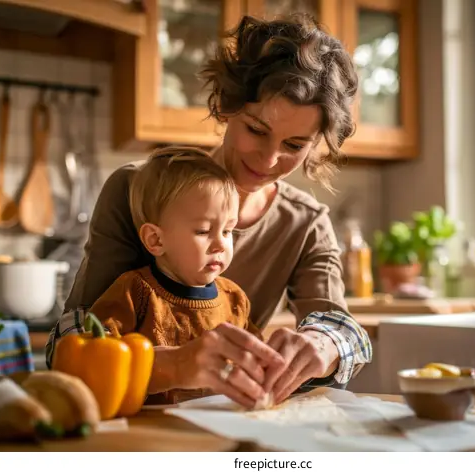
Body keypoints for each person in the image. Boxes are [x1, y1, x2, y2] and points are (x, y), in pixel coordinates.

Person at [47, 13, 372, 410]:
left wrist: (321, 344)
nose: (269, 159)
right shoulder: (136, 189)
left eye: (294, 145)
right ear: (226, 106)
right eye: (256, 129)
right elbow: (66, 348)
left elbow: (347, 333)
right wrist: (174, 364)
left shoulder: (305, 222)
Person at [60, 146, 269, 405]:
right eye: (204, 231)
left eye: (227, 231)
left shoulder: (235, 298)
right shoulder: (133, 291)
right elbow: (95, 359)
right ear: (156, 239)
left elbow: (255, 361)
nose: (220, 245)